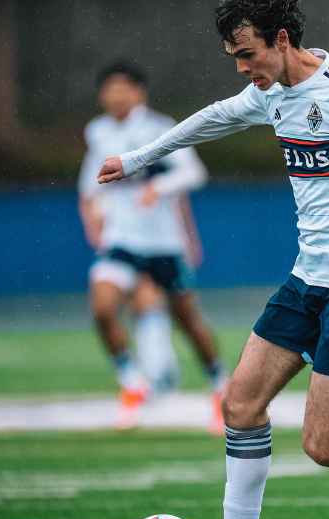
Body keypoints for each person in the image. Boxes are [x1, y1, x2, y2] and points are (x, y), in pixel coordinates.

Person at [95, 2, 329, 519]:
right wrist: (139, 157)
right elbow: (213, 118)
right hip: (307, 278)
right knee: (240, 404)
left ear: (281, 39)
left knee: (326, 447)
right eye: (234, 57)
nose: (241, 67)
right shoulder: (269, 92)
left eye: (247, 54)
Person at [78, 61, 229, 432]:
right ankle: (132, 383)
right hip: (122, 240)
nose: (114, 96)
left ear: (139, 92)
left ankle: (221, 388)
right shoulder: (97, 132)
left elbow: (194, 172)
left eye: (122, 88)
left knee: (188, 320)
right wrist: (93, 213)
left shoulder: (160, 128)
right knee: (102, 306)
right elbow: (90, 184)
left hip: (163, 242)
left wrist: (157, 187)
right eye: (108, 89)